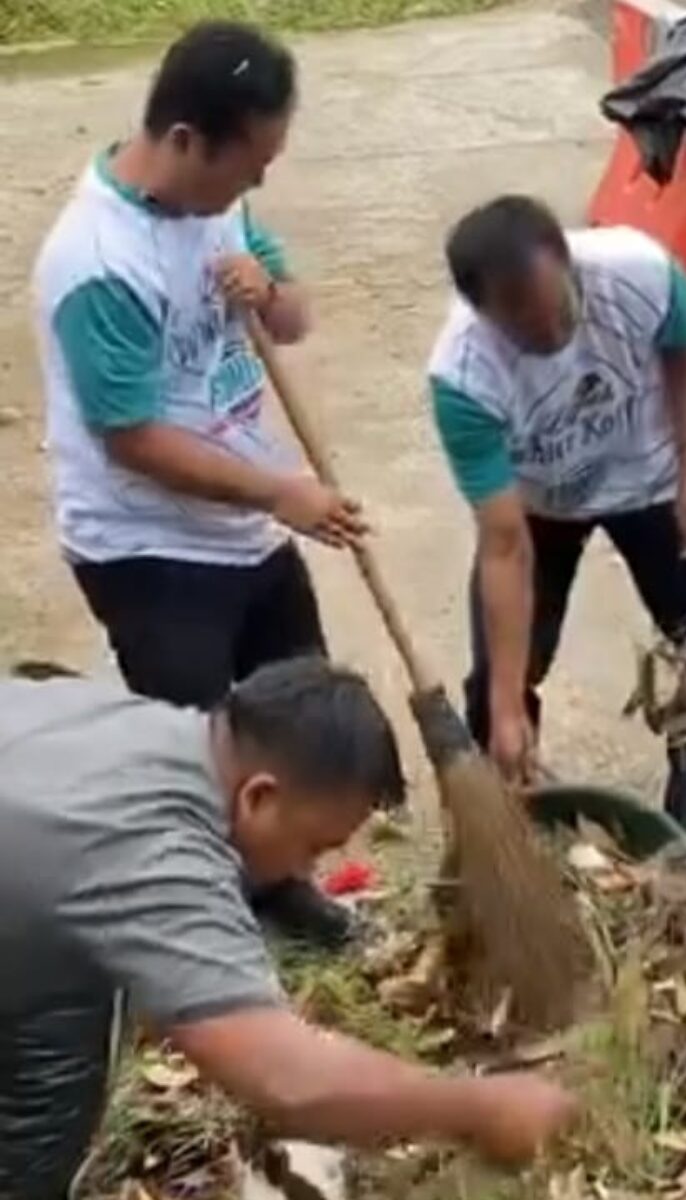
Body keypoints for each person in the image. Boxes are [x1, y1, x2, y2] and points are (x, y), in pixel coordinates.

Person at [0, 658, 576, 1200]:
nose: (307, 873)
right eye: (312, 848)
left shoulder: (140, 727)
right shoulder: (160, 855)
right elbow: (289, 1082)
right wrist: (478, 1108)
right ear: (260, 797)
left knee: (74, 990)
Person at [32, 21, 366, 944]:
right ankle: (198, 923)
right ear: (186, 140)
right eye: (251, 161)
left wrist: (269, 291)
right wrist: (278, 494)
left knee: (296, 725)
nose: (258, 182)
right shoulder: (97, 263)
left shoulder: (220, 204)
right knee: (198, 757)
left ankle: (282, 886)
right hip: (148, 548)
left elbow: (293, 323)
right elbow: (132, 440)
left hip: (243, 531)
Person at [426, 196, 686, 914]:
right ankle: (508, 846)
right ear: (483, 313)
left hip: (649, 475)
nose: (550, 333)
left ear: (571, 261)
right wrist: (510, 702)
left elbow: (684, 353)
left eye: (559, 309)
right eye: (523, 325)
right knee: (499, 682)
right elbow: (505, 545)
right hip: (539, 506)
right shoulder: (463, 377)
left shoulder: (640, 270)